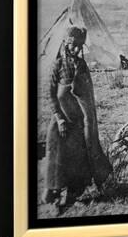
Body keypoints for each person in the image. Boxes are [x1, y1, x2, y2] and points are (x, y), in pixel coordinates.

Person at [42, 26, 112, 205]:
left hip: (79, 123)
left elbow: (87, 96)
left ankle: (73, 192)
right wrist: (59, 118)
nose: (75, 50)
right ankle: (54, 189)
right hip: (61, 122)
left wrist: (88, 123)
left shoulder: (82, 65)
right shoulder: (57, 65)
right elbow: (50, 94)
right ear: (65, 43)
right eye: (72, 45)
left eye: (79, 46)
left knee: (78, 158)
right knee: (56, 155)